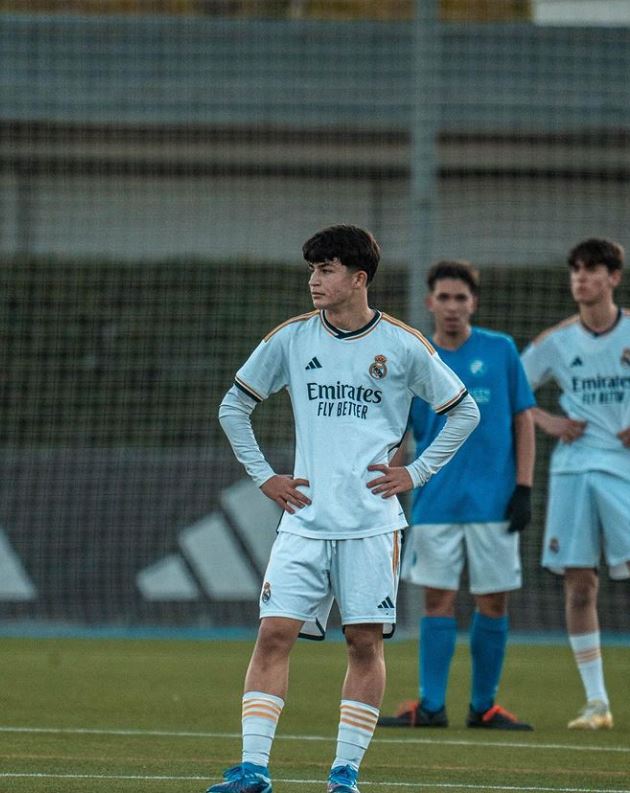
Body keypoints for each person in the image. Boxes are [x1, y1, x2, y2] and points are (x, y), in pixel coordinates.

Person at [214, 225, 480, 793]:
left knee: (364, 643)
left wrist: (416, 472)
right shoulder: (291, 338)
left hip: (371, 525)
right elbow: (233, 407)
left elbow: (465, 411)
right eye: (312, 270)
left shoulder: (404, 345)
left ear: (359, 278)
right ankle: (253, 769)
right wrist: (264, 476)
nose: (314, 280)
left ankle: (344, 774)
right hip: (304, 522)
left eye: (326, 269)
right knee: (273, 634)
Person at [378, 260, 536, 731]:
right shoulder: (414, 358)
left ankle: (483, 707)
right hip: (435, 503)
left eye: (460, 298)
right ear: (430, 303)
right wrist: (386, 485)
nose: (452, 306)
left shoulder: (501, 350)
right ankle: (431, 706)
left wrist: (524, 487)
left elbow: (523, 419)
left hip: (494, 503)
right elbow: (400, 433)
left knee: (493, 603)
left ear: (474, 303)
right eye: (443, 297)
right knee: (437, 601)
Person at [521, 237, 630, 730]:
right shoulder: (556, 341)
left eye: (591, 270)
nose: (581, 279)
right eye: (576, 271)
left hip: (623, 471)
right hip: (573, 472)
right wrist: (547, 421)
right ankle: (597, 702)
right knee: (579, 584)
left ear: (614, 278)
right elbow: (512, 388)